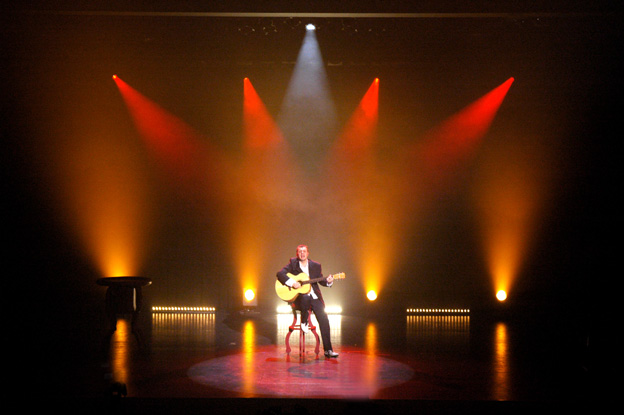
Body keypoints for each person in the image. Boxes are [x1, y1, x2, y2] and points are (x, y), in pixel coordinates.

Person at [276, 244, 339, 358]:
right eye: (300, 252)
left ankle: (328, 350)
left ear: (308, 253)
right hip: (300, 298)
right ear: (297, 254)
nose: (302, 253)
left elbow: (321, 281)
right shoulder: (293, 263)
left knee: (324, 319)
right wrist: (292, 283)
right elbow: (280, 274)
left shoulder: (316, 266)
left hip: (314, 297)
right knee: (305, 297)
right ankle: (304, 321)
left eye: (304, 251)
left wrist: (329, 281)